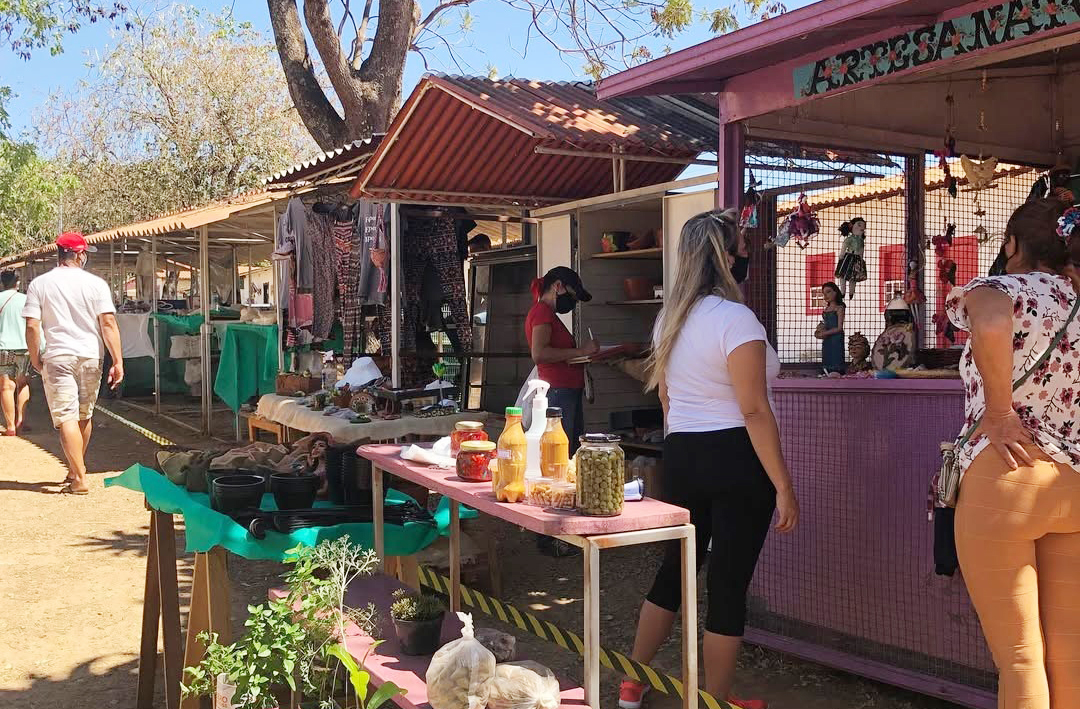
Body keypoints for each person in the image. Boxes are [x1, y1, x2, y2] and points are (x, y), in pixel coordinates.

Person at [620, 209, 799, 709]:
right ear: (726, 257)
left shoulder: (668, 319)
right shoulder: (736, 319)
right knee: (727, 584)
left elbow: (668, 402)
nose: (749, 253)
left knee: (674, 571)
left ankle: (632, 683)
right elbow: (753, 409)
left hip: (681, 454)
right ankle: (714, 701)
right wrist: (782, 484)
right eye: (743, 244)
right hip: (736, 457)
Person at [945, 197, 1080, 709]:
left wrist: (1000, 413)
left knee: (1021, 659)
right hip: (1071, 485)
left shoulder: (999, 286)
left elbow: (994, 324)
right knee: (1070, 657)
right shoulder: (1076, 298)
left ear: (1012, 245)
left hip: (1004, 479)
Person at [23, 232, 124, 495]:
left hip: (57, 355)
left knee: (65, 416)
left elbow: (32, 326)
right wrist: (118, 360)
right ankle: (75, 467)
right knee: (84, 414)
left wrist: (35, 356)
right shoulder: (96, 284)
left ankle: (78, 477)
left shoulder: (39, 284)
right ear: (80, 254)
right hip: (91, 355)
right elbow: (108, 323)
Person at [525, 266, 599, 450]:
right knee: (559, 452)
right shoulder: (542, 312)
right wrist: (581, 352)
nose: (573, 302)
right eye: (572, 296)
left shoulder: (547, 313)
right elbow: (539, 354)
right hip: (557, 392)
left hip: (564, 391)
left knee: (568, 450)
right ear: (557, 286)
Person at [0, 269, 32, 435]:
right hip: (25, 347)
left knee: (7, 386)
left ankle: (10, 426)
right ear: (18, 282)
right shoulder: (27, 300)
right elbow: (34, 325)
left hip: (3, 348)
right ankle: (21, 421)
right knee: (23, 383)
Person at [815, 282, 846, 374]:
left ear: (835, 292)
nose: (826, 295)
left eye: (828, 292)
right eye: (824, 293)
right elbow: (825, 324)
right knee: (827, 355)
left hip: (836, 338)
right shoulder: (826, 310)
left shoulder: (839, 308)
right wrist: (820, 328)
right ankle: (827, 371)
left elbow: (839, 328)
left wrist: (824, 333)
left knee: (836, 356)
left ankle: (837, 371)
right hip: (827, 339)